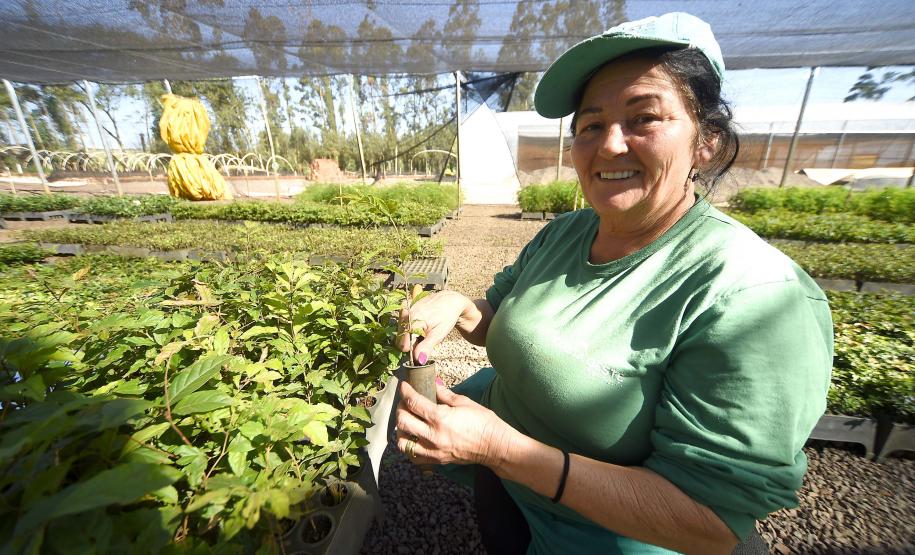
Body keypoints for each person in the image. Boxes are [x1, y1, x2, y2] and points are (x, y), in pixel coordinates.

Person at [394, 12, 832, 555]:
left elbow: (711, 523)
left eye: (644, 118)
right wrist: (461, 307)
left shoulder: (751, 292)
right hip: (506, 488)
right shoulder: (568, 233)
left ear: (707, 143)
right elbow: (497, 320)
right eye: (592, 124)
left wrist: (501, 448)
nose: (610, 146)